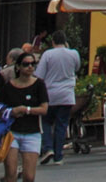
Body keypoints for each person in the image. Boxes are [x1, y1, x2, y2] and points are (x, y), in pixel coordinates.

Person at [0, 49, 48, 182]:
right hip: (11, 133)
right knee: (11, 174)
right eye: (26, 64)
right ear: (17, 67)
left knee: (29, 177)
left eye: (33, 64)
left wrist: (26, 109)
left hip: (32, 132)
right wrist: (11, 112)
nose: (30, 67)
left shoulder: (39, 85)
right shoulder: (9, 87)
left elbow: (44, 109)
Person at [34, 31, 79, 167]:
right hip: (67, 95)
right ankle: (59, 156)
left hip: (50, 94)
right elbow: (76, 68)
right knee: (61, 125)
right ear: (65, 41)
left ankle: (48, 148)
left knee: (46, 122)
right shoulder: (74, 54)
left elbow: (39, 75)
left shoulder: (48, 54)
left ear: (53, 42)